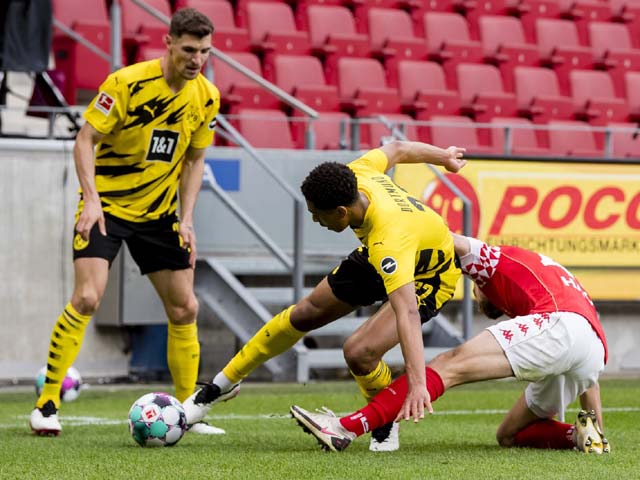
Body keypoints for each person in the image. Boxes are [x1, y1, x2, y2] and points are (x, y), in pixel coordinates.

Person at [183, 141, 467, 451]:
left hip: (429, 274)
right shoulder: (358, 172)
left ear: (342, 211)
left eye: (319, 215)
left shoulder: (390, 240)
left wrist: (417, 385)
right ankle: (219, 387)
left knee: (359, 352)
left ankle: (385, 422)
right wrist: (444, 157)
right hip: (382, 253)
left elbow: (408, 314)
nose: (316, 220)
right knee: (304, 313)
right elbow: (398, 148)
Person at [29, 8, 222, 436]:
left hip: (158, 216)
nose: (196, 60)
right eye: (189, 50)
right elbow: (85, 139)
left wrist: (186, 218)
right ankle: (46, 404)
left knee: (185, 307)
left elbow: (195, 158)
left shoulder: (207, 95)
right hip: (107, 208)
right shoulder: (126, 83)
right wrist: (92, 201)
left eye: (205, 52)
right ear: (169, 43)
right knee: (86, 299)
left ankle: (188, 412)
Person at [291, 234, 611, 454]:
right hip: (592, 346)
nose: (475, 295)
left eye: (475, 292)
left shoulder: (492, 259)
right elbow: (586, 368)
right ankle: (577, 437)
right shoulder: (551, 280)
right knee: (509, 435)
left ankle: (344, 428)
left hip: (561, 327)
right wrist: (596, 426)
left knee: (449, 364)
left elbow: (443, 236)